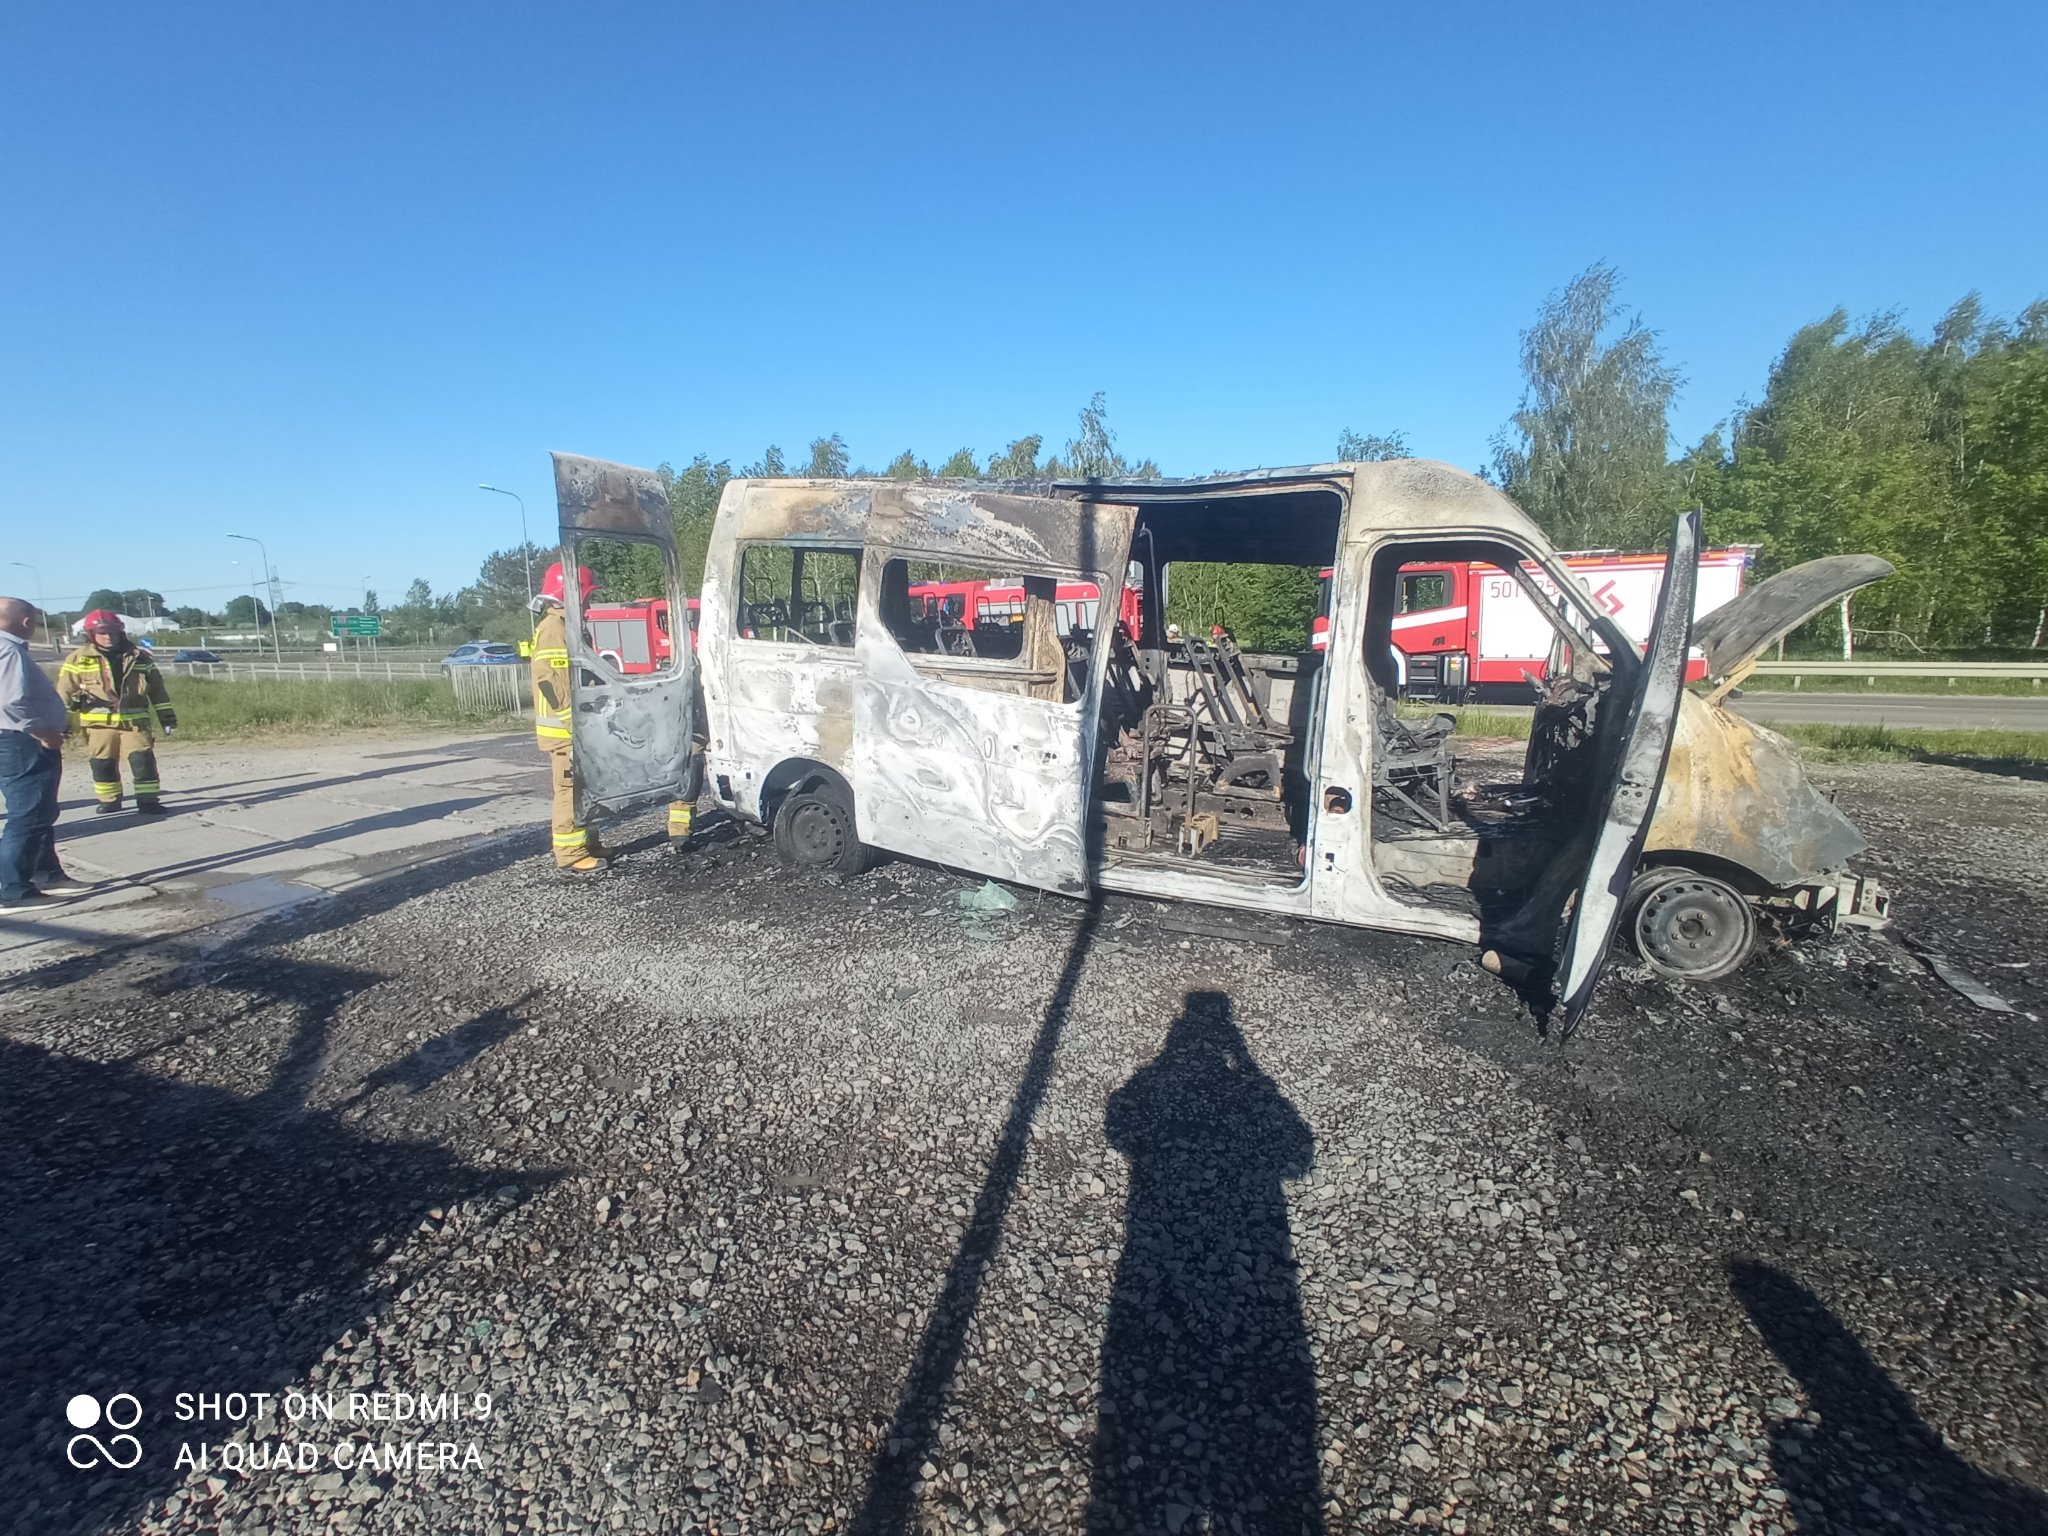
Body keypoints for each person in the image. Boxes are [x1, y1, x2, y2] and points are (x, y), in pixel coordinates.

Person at [1, 596, 92, 908]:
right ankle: (14, 889)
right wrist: (44, 734)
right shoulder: (9, 649)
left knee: (40, 812)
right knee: (27, 814)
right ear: (26, 621)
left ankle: (46, 873)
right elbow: (11, 702)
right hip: (21, 740)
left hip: (15, 738)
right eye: (34, 622)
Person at [58, 610, 178, 816]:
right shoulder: (78, 659)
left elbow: (157, 690)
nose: (108, 637)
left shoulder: (139, 657)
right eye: (102, 633)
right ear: (91, 634)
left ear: (120, 632)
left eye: (112, 632)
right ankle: (110, 800)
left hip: (135, 723)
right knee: (103, 762)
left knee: (143, 761)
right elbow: (63, 692)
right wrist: (60, 721)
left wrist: (167, 717)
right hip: (98, 725)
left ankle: (148, 801)